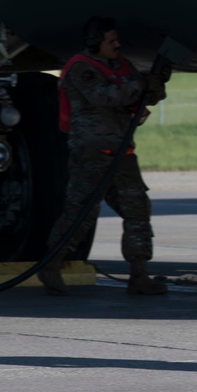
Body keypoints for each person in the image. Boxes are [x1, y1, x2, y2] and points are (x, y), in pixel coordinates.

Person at [38, 16, 171, 296]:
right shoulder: (81, 69)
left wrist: (157, 81)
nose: (117, 44)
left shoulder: (121, 66)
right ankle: (51, 266)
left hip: (122, 153)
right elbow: (106, 96)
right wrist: (142, 84)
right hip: (91, 154)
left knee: (137, 210)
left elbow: (144, 95)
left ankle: (139, 274)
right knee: (80, 213)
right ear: (94, 42)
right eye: (111, 40)